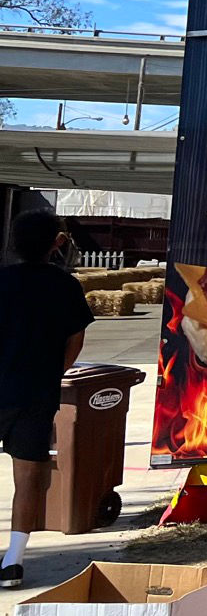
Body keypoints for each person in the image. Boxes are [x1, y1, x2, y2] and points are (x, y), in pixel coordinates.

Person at [0, 211, 93, 590]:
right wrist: (53, 371)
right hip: (36, 392)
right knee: (29, 478)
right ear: (57, 242)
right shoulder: (65, 285)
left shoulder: (1, 281)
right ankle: (13, 563)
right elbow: (75, 338)